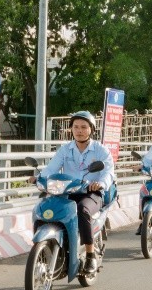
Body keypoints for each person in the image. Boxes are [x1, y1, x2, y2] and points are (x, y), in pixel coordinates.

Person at [42, 110, 115, 271]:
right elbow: (51, 168)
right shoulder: (65, 149)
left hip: (92, 193)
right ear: (71, 129)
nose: (80, 131)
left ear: (91, 129)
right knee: (47, 206)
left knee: (82, 209)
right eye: (76, 127)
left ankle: (90, 255)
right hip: (67, 191)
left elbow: (109, 171)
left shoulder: (101, 150)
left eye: (84, 127)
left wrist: (100, 183)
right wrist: (39, 178)